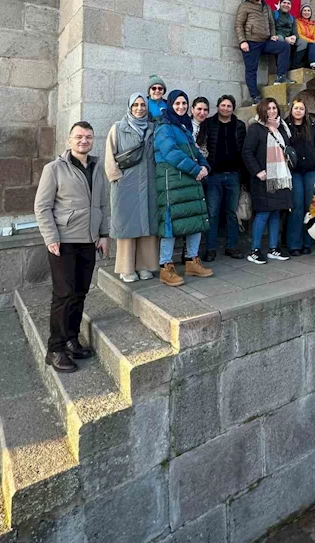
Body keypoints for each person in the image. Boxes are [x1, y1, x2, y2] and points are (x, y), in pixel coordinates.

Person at [34, 121, 109, 373]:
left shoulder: (98, 168)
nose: (83, 141)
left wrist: (104, 234)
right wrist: (50, 237)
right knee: (63, 295)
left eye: (88, 137)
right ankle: (54, 349)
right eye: (78, 136)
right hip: (63, 241)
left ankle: (71, 338)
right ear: (69, 140)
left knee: (80, 292)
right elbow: (42, 206)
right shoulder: (54, 169)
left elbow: (102, 204)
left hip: (88, 240)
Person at [154, 89, 214, 286]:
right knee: (170, 224)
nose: (181, 107)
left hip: (189, 180)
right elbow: (171, 153)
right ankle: (165, 266)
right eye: (177, 104)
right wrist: (196, 169)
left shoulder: (183, 127)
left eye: (184, 103)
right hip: (173, 182)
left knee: (195, 220)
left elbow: (195, 151)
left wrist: (204, 166)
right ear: (170, 105)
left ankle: (191, 261)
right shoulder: (164, 127)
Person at [104, 93, 158, 284]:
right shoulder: (118, 128)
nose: (139, 108)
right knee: (127, 226)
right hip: (126, 186)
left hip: (149, 185)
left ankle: (145, 266)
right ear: (129, 106)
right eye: (135, 105)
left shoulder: (152, 128)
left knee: (148, 226)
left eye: (143, 104)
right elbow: (110, 157)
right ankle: (127, 268)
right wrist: (117, 179)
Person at [242, 98, 292, 264]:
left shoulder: (282, 128)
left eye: (274, 107)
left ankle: (273, 248)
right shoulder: (256, 129)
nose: (272, 111)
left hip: (280, 177)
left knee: (276, 212)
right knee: (263, 213)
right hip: (263, 178)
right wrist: (257, 171)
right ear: (262, 111)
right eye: (268, 108)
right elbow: (247, 152)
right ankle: (255, 250)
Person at [198, 95, 247, 262]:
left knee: (232, 212)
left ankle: (232, 246)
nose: (226, 108)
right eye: (223, 105)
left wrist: (243, 175)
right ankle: (210, 248)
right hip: (214, 175)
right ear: (218, 106)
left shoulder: (239, 125)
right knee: (212, 212)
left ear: (233, 108)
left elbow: (243, 150)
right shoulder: (209, 123)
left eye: (229, 106)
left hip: (233, 175)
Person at [235, 0, 291, 104]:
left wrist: (273, 35)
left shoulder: (266, 6)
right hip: (250, 42)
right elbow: (239, 24)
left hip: (265, 42)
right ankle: (255, 97)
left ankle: (281, 77)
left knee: (284, 47)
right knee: (251, 70)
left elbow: (271, 23)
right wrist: (242, 41)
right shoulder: (245, 6)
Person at [285, 99, 315, 256]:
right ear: (291, 110)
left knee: (310, 207)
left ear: (305, 111)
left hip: (311, 171)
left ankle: (307, 242)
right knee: (296, 207)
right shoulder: (286, 127)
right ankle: (294, 244)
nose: (298, 111)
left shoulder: (312, 126)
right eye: (296, 108)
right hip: (295, 172)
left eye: (301, 108)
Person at [294, 4, 315, 70]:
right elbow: (299, 34)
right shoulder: (297, 22)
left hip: (312, 43)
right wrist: (312, 41)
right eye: (304, 10)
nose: (306, 12)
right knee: (313, 45)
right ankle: (313, 64)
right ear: (301, 12)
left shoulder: (311, 24)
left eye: (308, 11)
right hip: (303, 42)